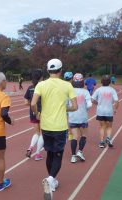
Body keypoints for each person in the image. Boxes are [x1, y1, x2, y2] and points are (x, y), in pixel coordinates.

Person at [31, 58, 78, 199]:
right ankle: (51, 179)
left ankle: (52, 180)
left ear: (48, 70)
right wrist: (65, 107)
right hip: (60, 126)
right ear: (61, 70)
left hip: (45, 125)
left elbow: (33, 103)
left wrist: (37, 113)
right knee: (58, 154)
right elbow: (75, 106)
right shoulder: (67, 85)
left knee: (50, 153)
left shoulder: (41, 84)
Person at [67, 73, 92, 163]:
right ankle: (80, 151)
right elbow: (89, 104)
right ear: (82, 81)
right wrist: (85, 109)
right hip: (83, 117)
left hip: (73, 117)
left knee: (74, 137)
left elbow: (66, 105)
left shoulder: (69, 91)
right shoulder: (85, 92)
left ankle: (73, 156)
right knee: (84, 135)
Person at [92, 75, 119, 148]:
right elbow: (116, 101)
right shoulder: (112, 90)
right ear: (110, 82)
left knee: (102, 126)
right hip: (109, 111)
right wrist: (115, 109)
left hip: (100, 111)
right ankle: (108, 138)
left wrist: (97, 103)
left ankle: (101, 142)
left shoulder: (98, 90)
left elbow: (92, 99)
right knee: (109, 126)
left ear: (101, 82)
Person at [25, 70, 44, 161]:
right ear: (41, 78)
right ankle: (37, 154)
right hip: (43, 112)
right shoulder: (44, 87)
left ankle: (31, 147)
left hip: (33, 112)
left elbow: (26, 102)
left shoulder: (30, 88)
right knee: (43, 134)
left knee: (36, 132)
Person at [63, 71, 74, 141]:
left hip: (62, 104)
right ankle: (70, 133)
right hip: (69, 105)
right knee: (69, 120)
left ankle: (65, 133)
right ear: (71, 78)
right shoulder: (71, 86)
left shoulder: (62, 85)